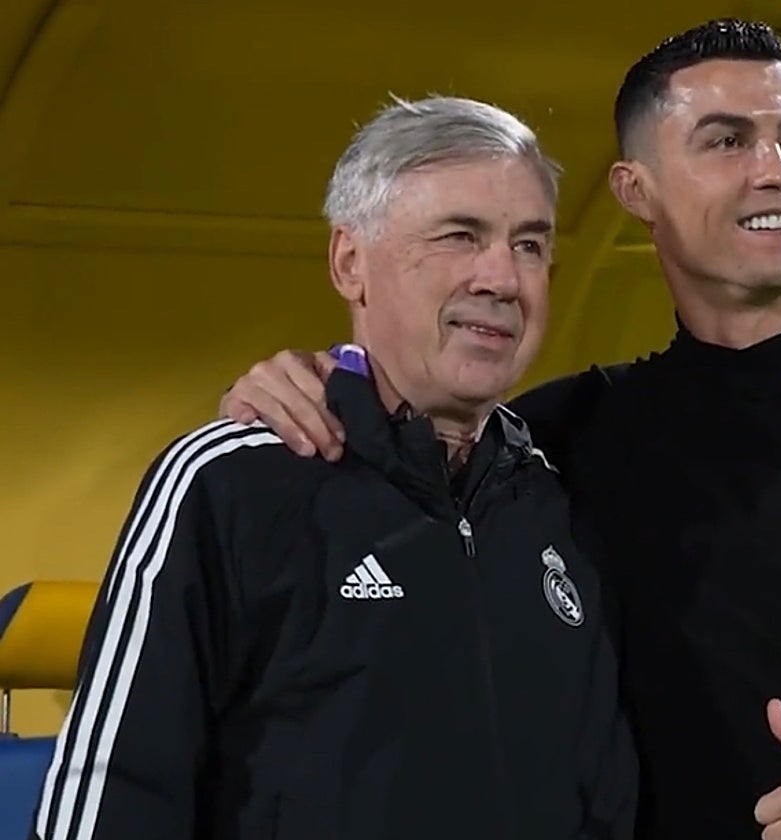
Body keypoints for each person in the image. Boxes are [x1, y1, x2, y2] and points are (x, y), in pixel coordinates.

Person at [219, 20, 781, 840]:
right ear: (636, 188)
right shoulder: (554, 439)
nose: (776, 171)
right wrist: (302, 382)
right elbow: (392, 450)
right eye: (727, 140)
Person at [31, 96, 637, 840]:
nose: (502, 279)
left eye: (531, 245)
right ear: (350, 263)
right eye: (460, 236)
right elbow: (112, 793)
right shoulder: (228, 482)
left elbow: (605, 802)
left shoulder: (557, 499)